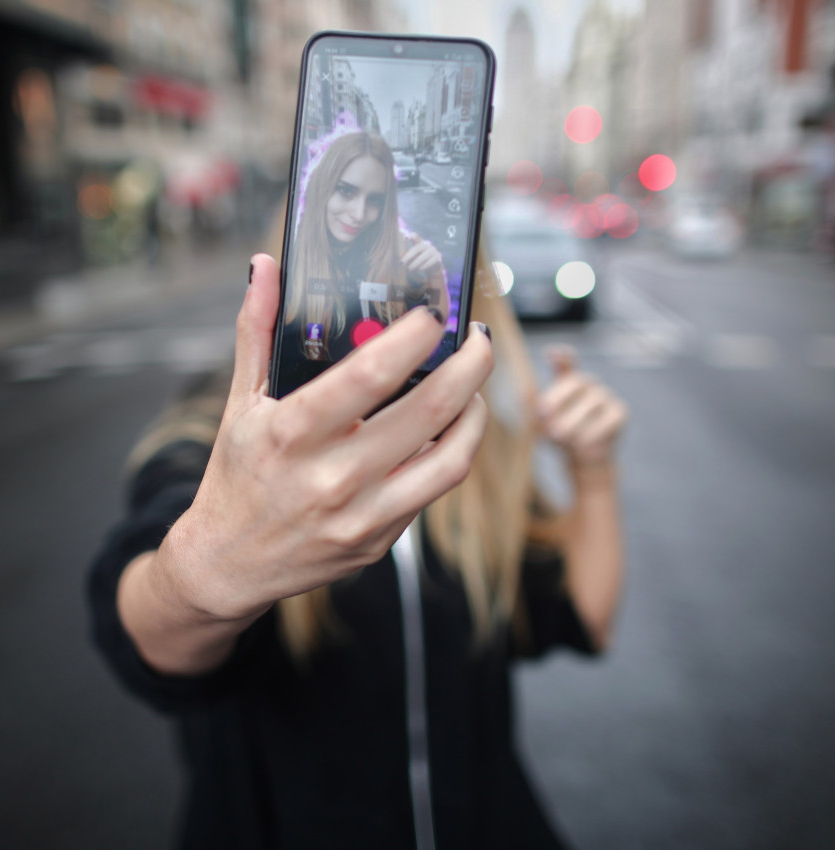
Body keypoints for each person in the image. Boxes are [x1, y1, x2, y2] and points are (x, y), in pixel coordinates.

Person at [87, 246, 627, 849]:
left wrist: (593, 471)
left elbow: (582, 617)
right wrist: (195, 578)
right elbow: (142, 623)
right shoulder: (229, 436)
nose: (384, 261)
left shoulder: (471, 444)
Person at [281, 131, 448, 362]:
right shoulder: (289, 258)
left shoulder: (401, 256)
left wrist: (435, 276)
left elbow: (431, 336)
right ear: (322, 187)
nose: (359, 215)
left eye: (374, 200)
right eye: (346, 191)